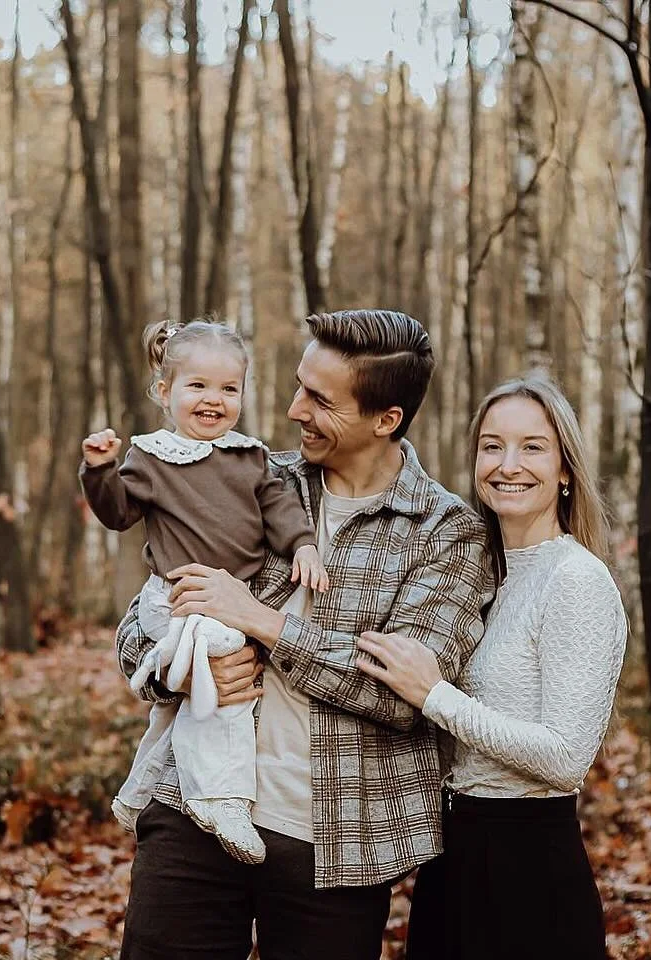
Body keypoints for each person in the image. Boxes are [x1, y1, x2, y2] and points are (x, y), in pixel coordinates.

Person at [115, 309, 494, 960]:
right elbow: (136, 625)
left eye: (320, 399)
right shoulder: (253, 477)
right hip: (192, 808)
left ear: (386, 420)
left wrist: (264, 623)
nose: (294, 409)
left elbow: (404, 694)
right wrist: (173, 668)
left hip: (337, 842)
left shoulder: (446, 532)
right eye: (298, 386)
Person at [356, 375, 628, 960]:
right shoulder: (483, 575)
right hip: (453, 858)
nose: (508, 464)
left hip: (529, 870)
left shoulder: (575, 579)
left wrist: (433, 696)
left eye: (532, 446)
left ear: (564, 470)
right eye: (491, 445)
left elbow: (565, 758)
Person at [80, 317, 329, 865]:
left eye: (228, 388)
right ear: (165, 393)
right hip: (176, 593)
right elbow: (118, 513)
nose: (213, 399)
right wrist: (98, 470)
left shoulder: (250, 456)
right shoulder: (152, 456)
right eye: (197, 386)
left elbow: (280, 507)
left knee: (179, 708)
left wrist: (304, 545)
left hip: (232, 595)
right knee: (224, 688)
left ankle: (140, 787)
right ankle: (221, 798)